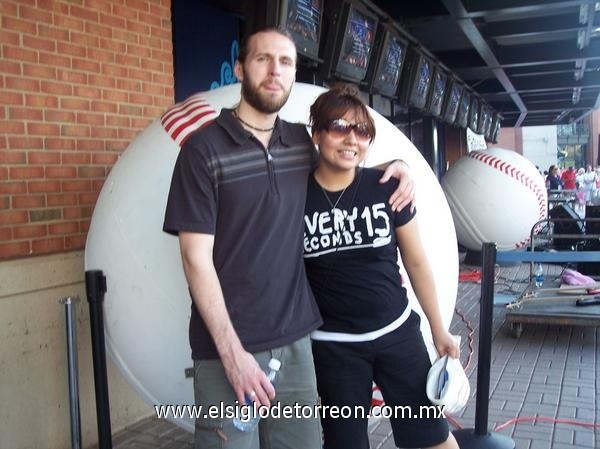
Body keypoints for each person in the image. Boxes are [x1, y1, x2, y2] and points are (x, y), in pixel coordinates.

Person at [163, 28, 415, 449]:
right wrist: (233, 355)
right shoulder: (202, 151)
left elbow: (343, 162)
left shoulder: (298, 142)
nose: (274, 71)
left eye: (285, 62)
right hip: (226, 348)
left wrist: (399, 164)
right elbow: (194, 259)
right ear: (241, 68)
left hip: (296, 344)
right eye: (263, 59)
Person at [303, 85, 460, 449]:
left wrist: (439, 330)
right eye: (339, 126)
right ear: (317, 134)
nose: (351, 139)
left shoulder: (387, 186)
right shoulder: (296, 197)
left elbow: (416, 260)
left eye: (362, 131)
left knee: (432, 438)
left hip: (397, 336)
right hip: (334, 347)